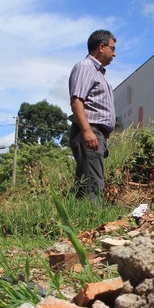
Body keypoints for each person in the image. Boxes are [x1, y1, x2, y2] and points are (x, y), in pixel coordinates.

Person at [68, 30, 117, 201]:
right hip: (89, 131)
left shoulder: (99, 73)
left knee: (87, 179)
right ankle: (94, 221)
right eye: (112, 48)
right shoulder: (85, 67)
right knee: (93, 184)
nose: (115, 54)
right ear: (101, 47)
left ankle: (82, 219)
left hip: (97, 134)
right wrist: (87, 131)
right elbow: (76, 101)